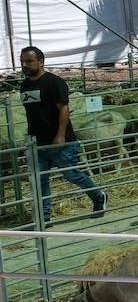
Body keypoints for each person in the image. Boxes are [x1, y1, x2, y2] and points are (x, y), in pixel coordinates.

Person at [18, 46, 106, 224]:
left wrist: (60, 135)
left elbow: (64, 108)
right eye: (22, 62)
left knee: (71, 175)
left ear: (41, 62)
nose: (25, 65)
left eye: (29, 61)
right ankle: (45, 216)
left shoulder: (53, 82)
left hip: (61, 141)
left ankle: (98, 196)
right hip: (37, 142)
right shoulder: (25, 85)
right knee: (40, 179)